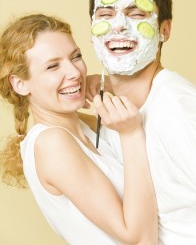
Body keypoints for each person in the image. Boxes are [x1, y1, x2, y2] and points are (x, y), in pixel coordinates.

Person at [0, 14, 157, 245]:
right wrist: (131, 135)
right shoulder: (52, 143)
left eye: (76, 57)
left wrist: (113, 83)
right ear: (20, 84)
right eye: (53, 66)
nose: (74, 72)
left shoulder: (89, 125)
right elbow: (138, 238)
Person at [86, 0, 196, 245]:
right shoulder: (121, 113)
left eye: (136, 13)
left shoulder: (179, 111)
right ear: (92, 30)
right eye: (105, 14)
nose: (120, 25)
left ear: (164, 30)